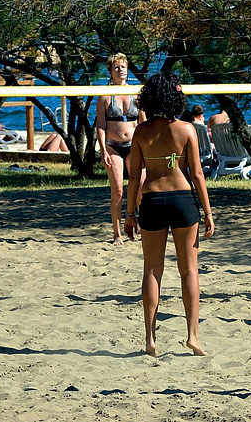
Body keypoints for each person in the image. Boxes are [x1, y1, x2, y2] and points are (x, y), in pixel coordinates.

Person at [124, 72, 215, 356]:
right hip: (181, 200)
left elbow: (134, 177)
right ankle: (193, 336)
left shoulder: (141, 131)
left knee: (152, 270)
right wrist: (208, 212)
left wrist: (129, 213)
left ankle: (150, 339)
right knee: (189, 270)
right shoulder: (187, 129)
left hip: (152, 200)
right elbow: (197, 174)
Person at [95, 53, 145, 244]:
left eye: (123, 66)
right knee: (117, 191)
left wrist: (146, 147)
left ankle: (143, 228)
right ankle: (117, 234)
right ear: (110, 71)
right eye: (116, 67)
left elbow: (143, 122)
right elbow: (100, 124)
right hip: (113, 146)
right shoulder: (105, 95)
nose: (120, 70)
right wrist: (103, 150)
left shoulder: (136, 93)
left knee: (141, 188)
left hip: (134, 145)